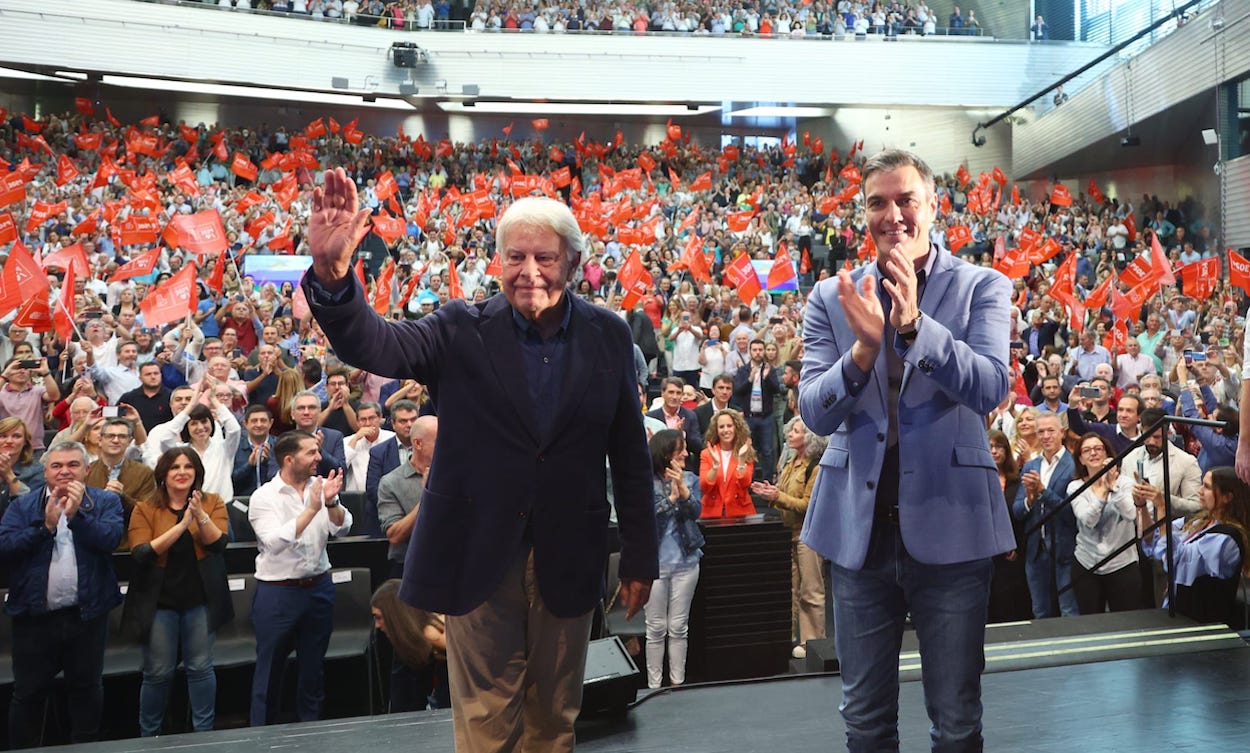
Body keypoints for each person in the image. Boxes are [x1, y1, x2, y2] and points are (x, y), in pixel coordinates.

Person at [302, 184, 656, 753]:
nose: (530, 271)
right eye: (515, 256)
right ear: (497, 261)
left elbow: (631, 458)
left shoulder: (609, 335)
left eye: (545, 257)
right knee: (486, 726)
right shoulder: (457, 327)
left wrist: (640, 556)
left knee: (554, 724)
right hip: (476, 556)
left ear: (573, 261)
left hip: (568, 557)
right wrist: (333, 278)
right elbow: (377, 344)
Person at [798, 149, 1015, 751]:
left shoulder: (983, 286)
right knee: (864, 723)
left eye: (905, 200)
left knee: (956, 722)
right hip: (857, 535)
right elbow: (813, 409)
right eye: (877, 202)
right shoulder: (832, 296)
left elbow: (992, 386)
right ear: (863, 213)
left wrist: (916, 326)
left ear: (932, 206)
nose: (892, 214)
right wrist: (864, 352)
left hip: (953, 527)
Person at [0, 442, 124, 748]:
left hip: (87, 618)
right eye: (56, 466)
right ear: (45, 472)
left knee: (86, 690)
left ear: (87, 469)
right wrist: (45, 527)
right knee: (27, 695)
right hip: (33, 620)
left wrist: (78, 517)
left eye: (72, 465)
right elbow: (5, 548)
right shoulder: (22, 506)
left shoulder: (105, 501)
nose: (65, 471)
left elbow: (110, 539)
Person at [122, 447, 231, 736]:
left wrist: (200, 517)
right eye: (174, 467)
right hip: (159, 602)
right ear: (163, 474)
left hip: (200, 600)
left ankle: (203, 734)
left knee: (200, 669)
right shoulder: (145, 508)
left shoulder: (213, 502)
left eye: (188, 466)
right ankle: (150, 736)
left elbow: (218, 545)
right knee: (157, 673)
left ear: (197, 472)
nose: (182, 472)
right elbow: (142, 553)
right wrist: (183, 524)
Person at [247, 431, 352, 726]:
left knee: (313, 671)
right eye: (311, 453)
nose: (318, 457)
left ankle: (312, 734)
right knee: (269, 671)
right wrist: (311, 510)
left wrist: (331, 505)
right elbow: (274, 542)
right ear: (290, 459)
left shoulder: (320, 487)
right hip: (278, 593)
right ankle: (262, 738)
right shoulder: (263, 497)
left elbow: (343, 528)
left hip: (318, 588)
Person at [751, 417, 825, 657]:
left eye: (795, 431)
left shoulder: (815, 466)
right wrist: (771, 493)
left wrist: (778, 497)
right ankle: (790, 638)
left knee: (810, 590)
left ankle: (812, 643)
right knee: (790, 590)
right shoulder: (790, 461)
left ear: (809, 438)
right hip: (787, 532)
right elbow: (783, 494)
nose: (789, 435)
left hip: (808, 534)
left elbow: (807, 504)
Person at [1141, 466, 1249, 626]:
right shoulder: (1196, 522)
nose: (1199, 491)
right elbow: (1154, 540)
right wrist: (1141, 506)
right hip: (1178, 613)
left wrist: (1162, 508)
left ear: (1227, 497)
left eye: (1207, 487)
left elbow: (1175, 559)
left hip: (1205, 622)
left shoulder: (1228, 538)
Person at [643, 429, 703, 689]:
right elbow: (648, 518)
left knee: (679, 627)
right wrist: (671, 499)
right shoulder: (645, 481)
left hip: (686, 562)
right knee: (655, 629)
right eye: (681, 450)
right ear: (666, 453)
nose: (687, 454)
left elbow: (696, 512)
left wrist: (684, 492)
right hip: (654, 564)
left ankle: (678, 683)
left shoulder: (690, 478)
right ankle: (654, 686)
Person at [1014, 411, 1079, 618]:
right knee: (1039, 610)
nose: (1045, 436)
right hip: (1035, 548)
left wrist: (1043, 491)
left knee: (1068, 608)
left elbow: (1072, 513)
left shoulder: (1074, 465)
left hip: (1065, 548)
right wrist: (1030, 500)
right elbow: (1017, 511)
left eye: (1050, 430)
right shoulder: (1030, 466)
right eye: (1040, 431)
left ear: (1062, 432)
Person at [1069, 433, 1141, 614]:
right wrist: (1102, 492)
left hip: (1122, 563)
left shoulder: (1125, 483)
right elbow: (1088, 520)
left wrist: (1113, 487)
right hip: (1087, 563)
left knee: (1126, 621)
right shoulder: (1075, 487)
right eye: (1087, 450)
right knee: (1091, 623)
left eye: (1098, 449)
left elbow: (1131, 514)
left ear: (1107, 454)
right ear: (1080, 459)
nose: (1093, 453)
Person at [371, 579, 449, 712]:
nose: (377, 625)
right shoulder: (411, 641)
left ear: (394, 616)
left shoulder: (434, 635)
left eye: (379, 617)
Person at [377, 415, 438, 577]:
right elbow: (395, 536)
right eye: (439, 441)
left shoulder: (454, 476)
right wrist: (427, 496)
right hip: (410, 569)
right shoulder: (391, 482)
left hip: (451, 564)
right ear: (418, 444)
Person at [85, 417, 157, 550]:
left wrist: (123, 497)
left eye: (122, 436)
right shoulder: (86, 471)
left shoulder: (144, 473)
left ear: (130, 441)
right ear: (100, 440)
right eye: (110, 436)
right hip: (91, 545)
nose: (116, 440)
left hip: (130, 545)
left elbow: (148, 513)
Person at [987, 430, 1031, 623]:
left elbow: (1021, 517)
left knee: (1011, 604)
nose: (994, 451)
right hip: (985, 551)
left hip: (1012, 551)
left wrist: (1015, 545)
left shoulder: (1017, 480)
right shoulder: (979, 481)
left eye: (998, 446)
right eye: (989, 447)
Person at [364, 399, 420, 537]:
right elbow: (373, 490)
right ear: (393, 424)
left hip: (422, 521)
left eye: (413, 420)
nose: (409, 425)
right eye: (403, 421)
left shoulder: (428, 449)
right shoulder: (379, 452)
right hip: (388, 522)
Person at [732, 339, 784, 481]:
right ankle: (749, 481)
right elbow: (737, 391)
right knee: (749, 450)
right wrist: (749, 379)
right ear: (750, 352)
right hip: (748, 416)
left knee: (767, 451)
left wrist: (767, 378)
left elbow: (777, 390)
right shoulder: (743, 370)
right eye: (755, 350)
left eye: (760, 349)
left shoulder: (769, 369)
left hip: (765, 416)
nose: (758, 352)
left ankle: (766, 481)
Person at [698, 409, 756, 518]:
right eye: (721, 427)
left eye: (729, 426)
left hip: (740, 512)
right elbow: (704, 487)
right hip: (712, 513)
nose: (726, 430)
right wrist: (715, 466)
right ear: (716, 430)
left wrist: (741, 459)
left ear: (736, 428)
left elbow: (745, 483)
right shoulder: (706, 453)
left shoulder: (745, 451)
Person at [646, 377, 702, 473]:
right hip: (657, 468)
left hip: (683, 468)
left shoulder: (690, 415)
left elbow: (697, 447)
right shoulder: (651, 416)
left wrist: (682, 435)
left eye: (678, 393)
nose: (675, 397)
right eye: (671, 392)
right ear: (663, 393)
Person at [0, 417, 44, 519]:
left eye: (16, 436)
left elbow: (30, 508)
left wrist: (9, 475)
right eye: (3, 436)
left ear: (25, 442)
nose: (9, 441)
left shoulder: (38, 471)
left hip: (17, 528)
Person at [232, 405, 277, 497]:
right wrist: (249, 465)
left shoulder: (280, 445)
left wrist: (268, 461)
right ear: (245, 424)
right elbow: (231, 480)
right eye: (254, 421)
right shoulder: (235, 447)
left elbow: (286, 478)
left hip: (274, 500)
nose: (259, 425)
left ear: (271, 423)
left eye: (263, 420)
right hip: (242, 500)